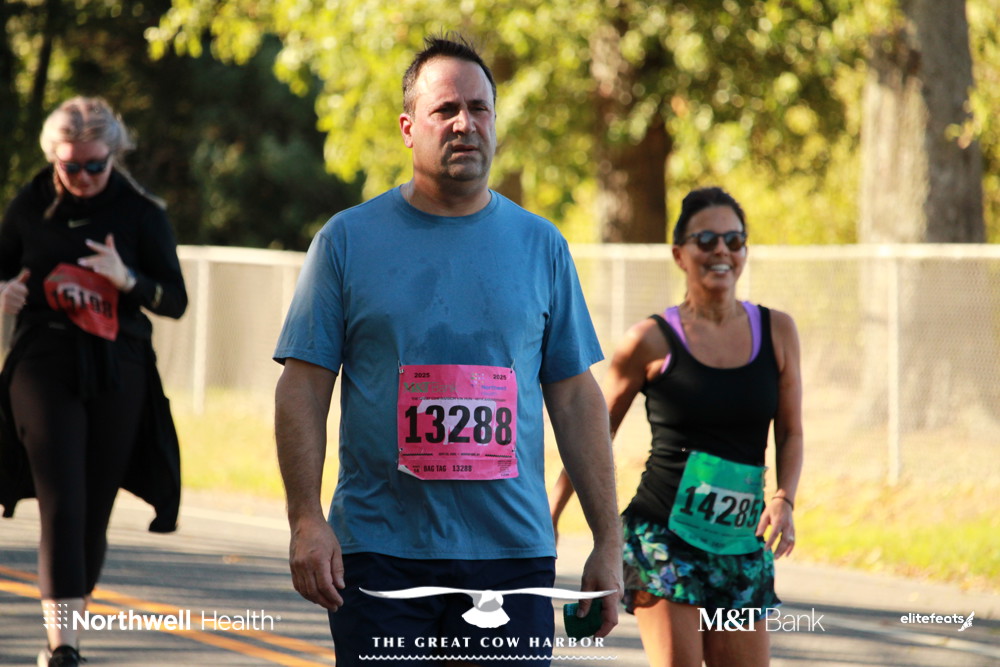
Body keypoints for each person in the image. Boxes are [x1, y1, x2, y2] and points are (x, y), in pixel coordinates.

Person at [273, 35, 622, 666]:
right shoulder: (346, 241)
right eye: (446, 110)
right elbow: (302, 387)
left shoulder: (541, 246)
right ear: (409, 129)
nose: (465, 123)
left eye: (479, 108)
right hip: (381, 551)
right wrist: (305, 519)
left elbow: (575, 397)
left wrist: (607, 539)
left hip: (511, 554)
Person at [551, 186, 804, 666]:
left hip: (739, 541)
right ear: (679, 254)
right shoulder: (650, 340)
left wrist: (784, 498)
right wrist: (553, 511)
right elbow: (591, 429)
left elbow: (791, 431)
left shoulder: (779, 332)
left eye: (734, 239)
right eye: (706, 239)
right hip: (663, 536)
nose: (721, 250)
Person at [0, 96, 188, 667]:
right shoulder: (28, 206)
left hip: (116, 364)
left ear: (114, 155)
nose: (82, 177)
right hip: (43, 359)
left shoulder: (140, 213)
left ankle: (69, 619)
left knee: (94, 506)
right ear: (52, 157)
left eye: (94, 166)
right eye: (70, 165)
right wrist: (3, 294)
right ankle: (64, 647)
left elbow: (174, 300)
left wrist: (126, 278)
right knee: (63, 499)